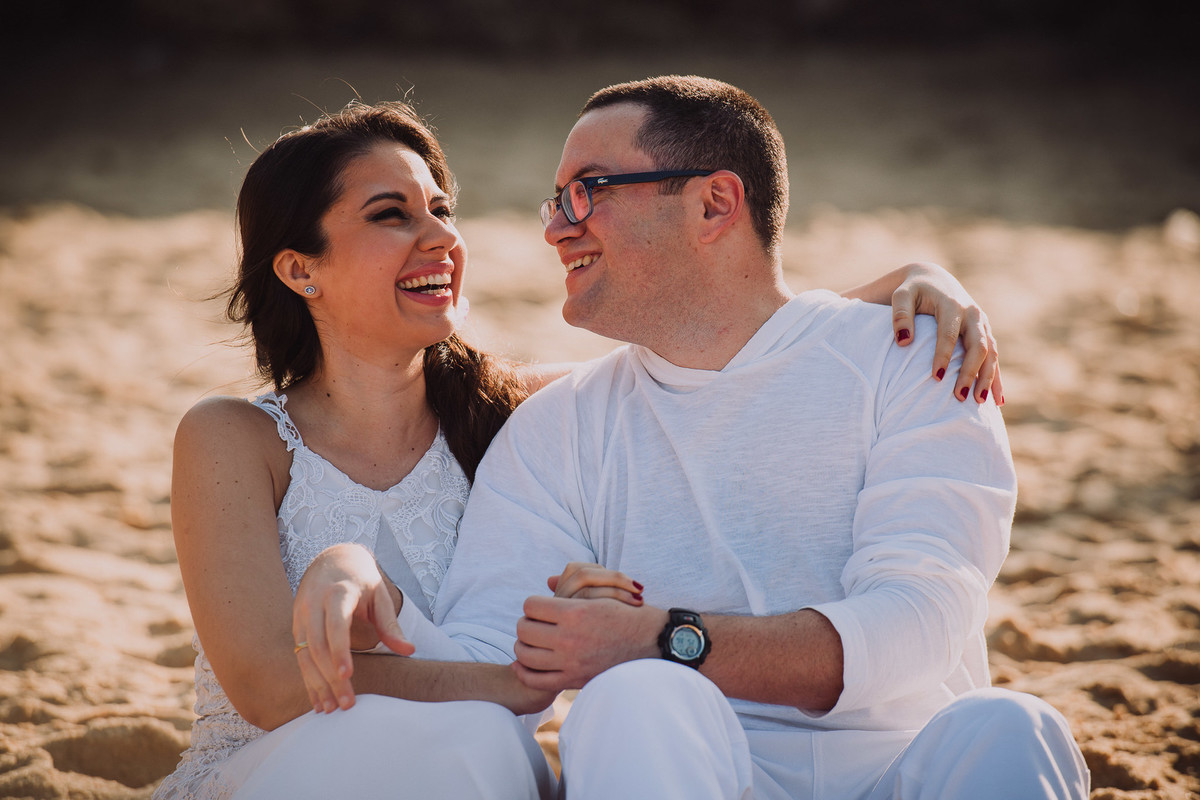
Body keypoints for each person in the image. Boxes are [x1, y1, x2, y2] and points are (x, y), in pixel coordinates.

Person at [157, 97, 1001, 799]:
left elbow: (737, 349)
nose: (441, 236)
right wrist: (518, 670)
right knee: (482, 743)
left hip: (467, 752)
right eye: (391, 215)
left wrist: (914, 283)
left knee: (484, 747)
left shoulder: (509, 407)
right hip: (301, 757)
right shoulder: (237, 436)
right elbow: (270, 685)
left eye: (442, 210)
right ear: (300, 270)